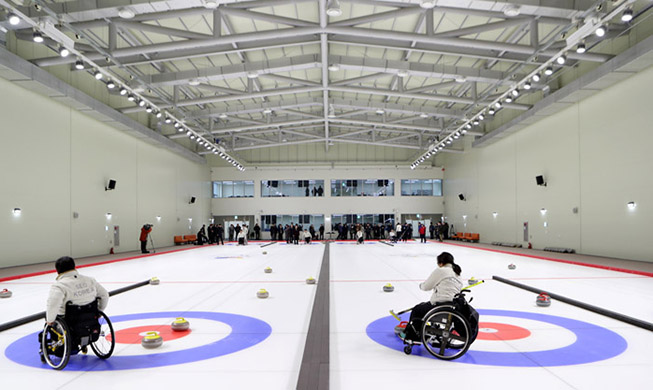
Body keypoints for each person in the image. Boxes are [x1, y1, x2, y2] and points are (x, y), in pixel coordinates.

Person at [41, 256, 109, 359]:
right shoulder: (90, 280)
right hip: (90, 318)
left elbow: (53, 305)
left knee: (50, 319)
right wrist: (99, 311)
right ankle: (83, 343)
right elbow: (104, 295)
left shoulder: (59, 286)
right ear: (74, 267)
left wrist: (50, 321)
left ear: (58, 271)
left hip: (69, 321)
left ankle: (53, 348)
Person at [402, 252, 463, 343]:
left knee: (417, 310)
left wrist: (421, 286)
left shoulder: (441, 270)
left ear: (441, 263)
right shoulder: (457, 274)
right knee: (424, 306)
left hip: (440, 305)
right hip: (453, 306)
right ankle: (423, 331)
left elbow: (427, 286)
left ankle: (414, 337)